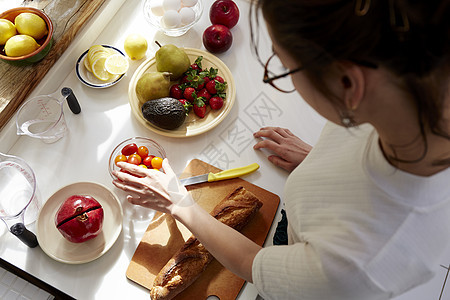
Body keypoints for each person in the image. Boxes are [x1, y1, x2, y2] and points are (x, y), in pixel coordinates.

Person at [112, 0, 450, 298]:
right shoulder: (413, 90)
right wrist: (322, 161)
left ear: (349, 85)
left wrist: (179, 203)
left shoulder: (356, 266)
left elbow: (252, 264)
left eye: (284, 66)